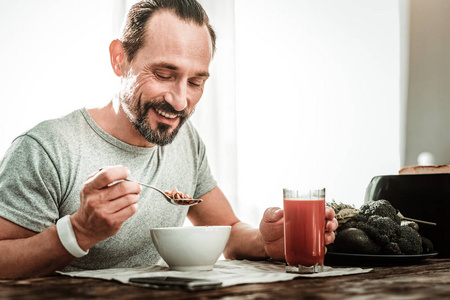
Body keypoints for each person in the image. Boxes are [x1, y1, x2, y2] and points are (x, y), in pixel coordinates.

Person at [0, 0, 338, 279]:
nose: (179, 102)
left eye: (195, 82)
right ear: (120, 59)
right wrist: (78, 232)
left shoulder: (184, 140)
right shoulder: (46, 148)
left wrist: (266, 242)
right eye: (164, 74)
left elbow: (230, 232)